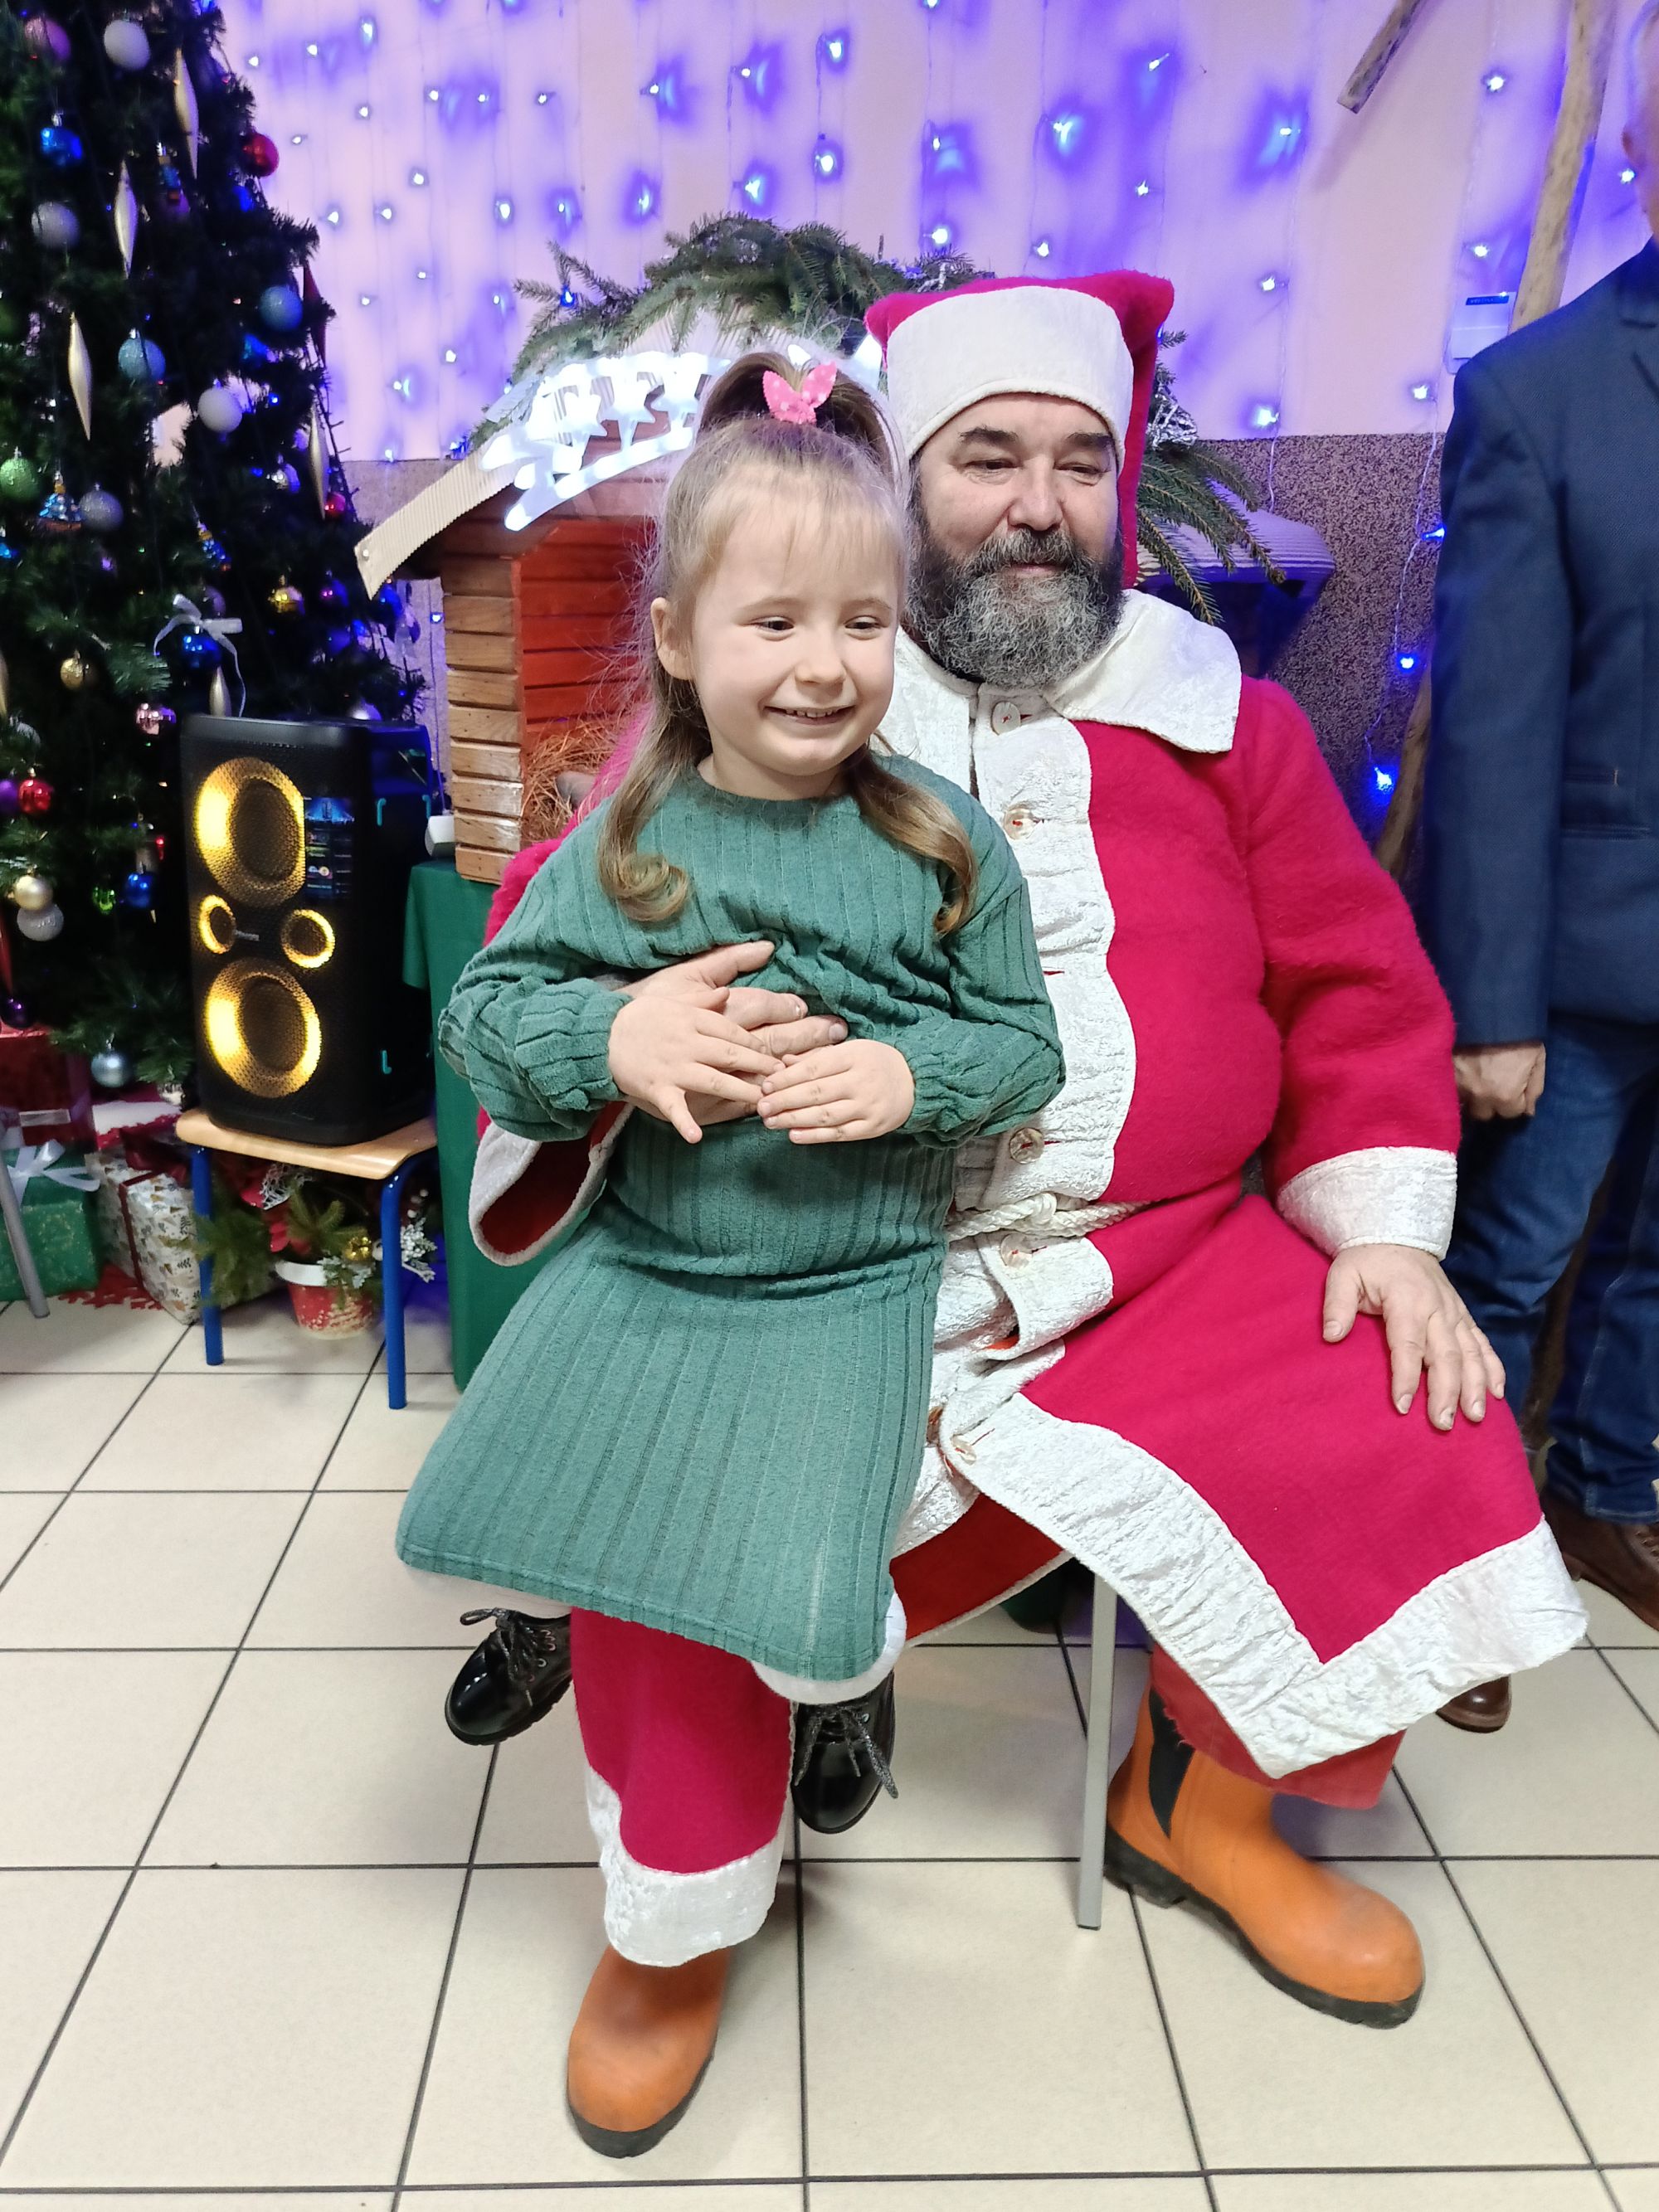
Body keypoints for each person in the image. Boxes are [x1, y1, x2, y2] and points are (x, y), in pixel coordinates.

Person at [456, 270, 1585, 2057]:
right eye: (987, 456)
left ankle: (1200, 1810)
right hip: (824, 1254)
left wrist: (1380, 1227)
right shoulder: (788, 689)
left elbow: (1355, 982)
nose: (1040, 503)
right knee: (664, 1514)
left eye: (1079, 460)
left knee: (1404, 1405)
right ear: (902, 480)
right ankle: (676, 1915)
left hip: (1163, 1256)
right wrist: (627, 1031)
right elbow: (551, 936)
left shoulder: (1226, 722)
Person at [397, 352, 1063, 2156]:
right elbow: (487, 1016)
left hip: (842, 1283)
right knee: (573, 1517)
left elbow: (1026, 1051)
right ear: (681, 641)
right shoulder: (624, 843)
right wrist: (614, 1038)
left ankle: (828, 1699)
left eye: (862, 619)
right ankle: (655, 1871)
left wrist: (908, 1075)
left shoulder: (942, 847)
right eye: (774, 620)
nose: (823, 663)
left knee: (794, 1576)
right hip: (650, 1261)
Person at [1421, 2, 1659, 1736]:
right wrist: (1487, 1003)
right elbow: (1493, 726)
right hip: (1574, 957)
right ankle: (1458, 1552)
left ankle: (1606, 1487)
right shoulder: (1538, 393)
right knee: (1502, 1265)